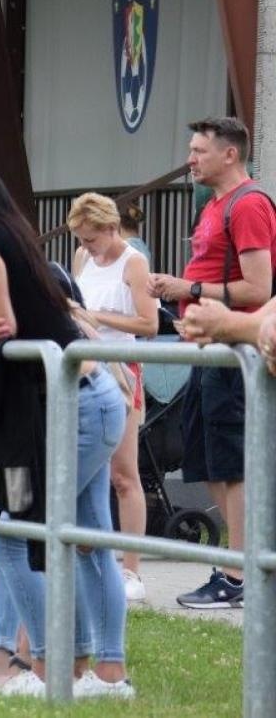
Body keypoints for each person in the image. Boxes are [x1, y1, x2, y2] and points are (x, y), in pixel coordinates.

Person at [0, 159, 131, 699]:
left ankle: (49, 668)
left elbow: (3, 326)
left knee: (14, 536)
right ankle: (102, 675)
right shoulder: (1, 232)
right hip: (78, 399)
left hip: (69, 406)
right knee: (86, 540)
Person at [150, 116, 272, 611]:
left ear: (230, 154)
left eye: (200, 151)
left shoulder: (249, 205)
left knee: (234, 461)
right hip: (206, 351)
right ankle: (242, 561)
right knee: (207, 459)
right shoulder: (214, 206)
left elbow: (259, 288)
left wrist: (191, 290)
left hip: (233, 353)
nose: (191, 159)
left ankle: (238, 571)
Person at [68, 192, 157, 603]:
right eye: (82, 240)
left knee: (125, 473)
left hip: (121, 368)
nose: (86, 247)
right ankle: (91, 556)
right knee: (89, 472)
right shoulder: (82, 259)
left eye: (91, 239)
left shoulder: (134, 262)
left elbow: (149, 323)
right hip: (85, 368)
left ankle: (132, 568)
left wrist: (94, 317)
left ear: (110, 228)